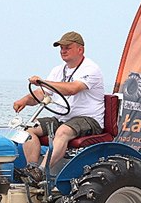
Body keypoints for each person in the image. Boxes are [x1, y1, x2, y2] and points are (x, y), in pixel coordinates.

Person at [13, 31, 105, 183]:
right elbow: (42, 92)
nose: (63, 51)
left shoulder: (91, 69)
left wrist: (43, 82)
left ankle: (42, 171)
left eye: (67, 47)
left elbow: (73, 88)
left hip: (88, 119)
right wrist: (23, 100)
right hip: (62, 117)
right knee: (29, 130)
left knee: (62, 132)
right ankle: (32, 169)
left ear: (80, 49)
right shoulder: (58, 70)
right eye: (61, 48)